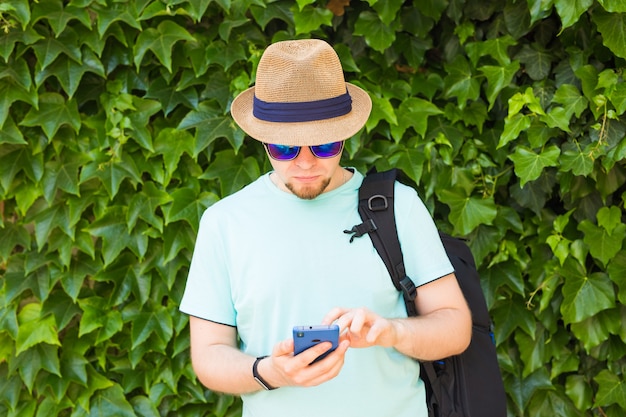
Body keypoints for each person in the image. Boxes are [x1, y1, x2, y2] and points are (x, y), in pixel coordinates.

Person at [179, 38, 472, 417]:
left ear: (346, 133)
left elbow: (455, 327)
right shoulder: (224, 222)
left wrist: (391, 331)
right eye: (285, 148)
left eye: (324, 145)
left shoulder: (398, 207)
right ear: (262, 138)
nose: (304, 163)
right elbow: (208, 355)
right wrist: (270, 372)